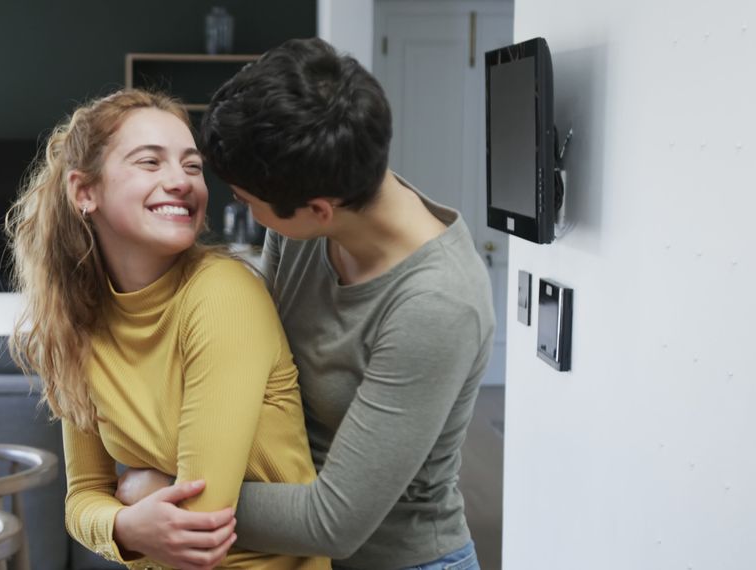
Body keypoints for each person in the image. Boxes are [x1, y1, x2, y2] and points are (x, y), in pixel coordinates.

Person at [113, 38, 496, 570]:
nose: (238, 207)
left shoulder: (437, 306)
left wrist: (171, 493)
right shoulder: (315, 193)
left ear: (317, 211)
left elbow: (332, 522)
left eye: (248, 202)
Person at [6, 89, 330, 570]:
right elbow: (82, 500)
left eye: (192, 166)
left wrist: (137, 490)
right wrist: (122, 526)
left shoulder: (222, 294)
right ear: (84, 192)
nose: (180, 181)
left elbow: (198, 526)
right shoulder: (77, 319)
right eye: (150, 162)